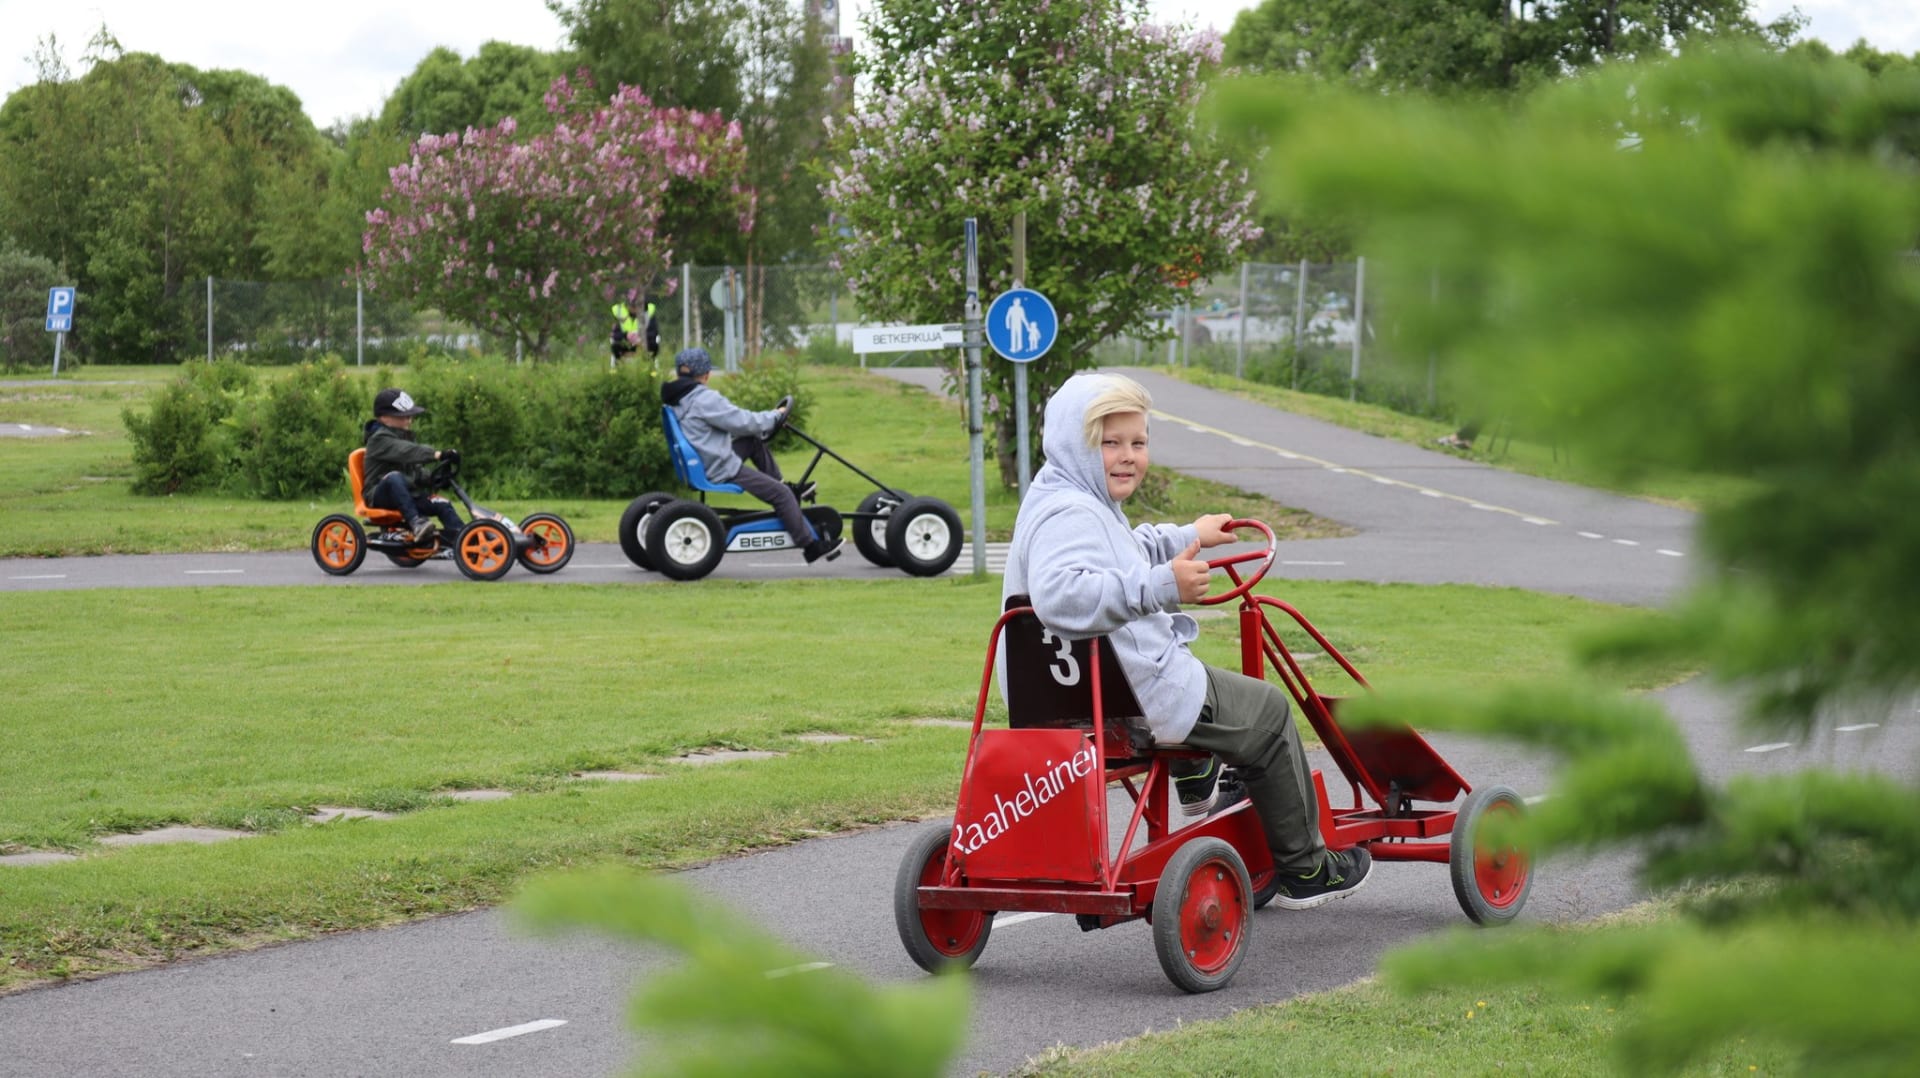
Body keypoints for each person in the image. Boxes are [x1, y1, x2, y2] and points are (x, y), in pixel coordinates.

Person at [1002, 371, 1371, 909]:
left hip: (1067, 696)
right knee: (1266, 711)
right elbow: (1060, 598)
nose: (1128, 456)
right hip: (1129, 699)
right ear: (1073, 444)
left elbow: (1122, 550)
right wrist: (1161, 586)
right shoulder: (1072, 515)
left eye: (1139, 442)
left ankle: (1198, 770)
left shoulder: (1062, 495)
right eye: (1110, 443)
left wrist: (1190, 536)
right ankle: (1307, 868)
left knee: (1215, 690)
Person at [659, 347, 841, 564]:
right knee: (781, 495)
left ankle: (785, 489)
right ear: (706, 374)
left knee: (753, 442)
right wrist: (775, 416)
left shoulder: (678, 397)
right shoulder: (703, 398)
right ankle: (810, 545)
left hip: (703, 459)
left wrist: (768, 420)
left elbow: (739, 427)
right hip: (718, 467)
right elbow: (743, 422)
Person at [362, 388, 463, 544]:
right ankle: (416, 523)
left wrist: (434, 478)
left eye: (410, 415)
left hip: (405, 495)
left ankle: (463, 539)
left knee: (442, 503)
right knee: (394, 477)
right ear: (384, 418)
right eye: (403, 416)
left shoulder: (402, 436)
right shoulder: (379, 439)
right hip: (379, 493)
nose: (409, 420)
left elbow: (414, 471)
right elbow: (407, 451)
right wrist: (437, 454)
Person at [610, 297, 660, 369]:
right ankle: (618, 369)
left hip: (643, 343)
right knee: (615, 345)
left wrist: (640, 337)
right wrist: (626, 335)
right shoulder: (619, 311)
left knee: (654, 345)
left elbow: (654, 332)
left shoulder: (648, 312)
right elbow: (615, 335)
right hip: (626, 343)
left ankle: (650, 369)